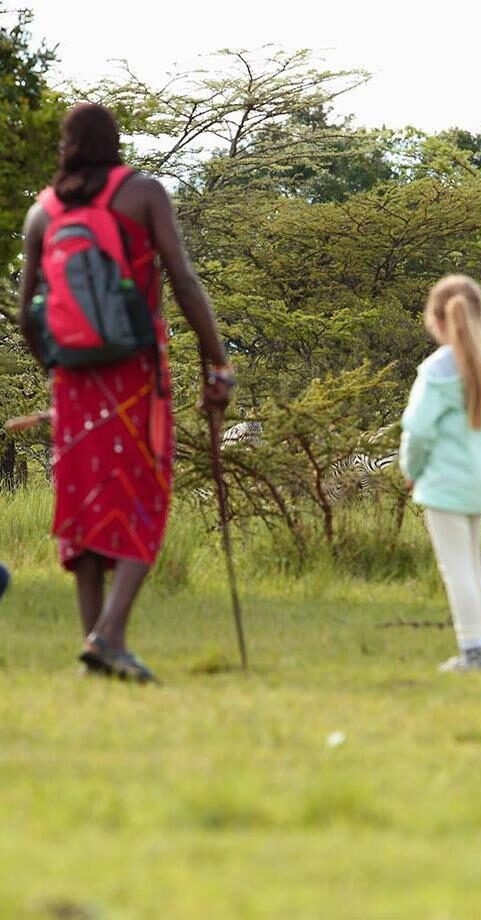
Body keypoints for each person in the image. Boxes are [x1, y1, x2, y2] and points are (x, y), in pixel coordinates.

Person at [18, 102, 234, 683]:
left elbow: (25, 314)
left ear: (65, 146)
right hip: (136, 377)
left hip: (73, 385)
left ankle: (96, 645)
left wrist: (58, 371)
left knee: (85, 510)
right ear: (115, 142)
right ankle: (109, 635)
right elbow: (183, 281)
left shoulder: (43, 212)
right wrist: (218, 364)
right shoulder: (142, 193)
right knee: (143, 497)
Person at [399, 274, 481, 672]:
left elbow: (417, 430)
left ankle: (473, 653)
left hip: (445, 485)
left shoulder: (436, 371)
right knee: (472, 568)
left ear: (436, 320)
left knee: (457, 570)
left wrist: (410, 470)